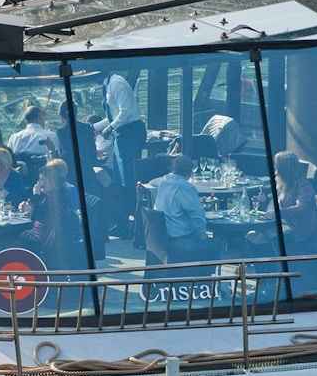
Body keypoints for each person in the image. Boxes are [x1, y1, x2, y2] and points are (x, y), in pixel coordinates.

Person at [101, 73, 146, 235]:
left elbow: (125, 111)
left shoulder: (116, 84)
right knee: (121, 179)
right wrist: (93, 128)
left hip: (130, 133)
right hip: (123, 133)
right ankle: (123, 222)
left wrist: (110, 128)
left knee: (128, 179)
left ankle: (130, 225)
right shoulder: (108, 84)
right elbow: (113, 116)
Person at [154, 154, 221, 261]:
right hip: (180, 241)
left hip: (162, 238)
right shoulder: (186, 187)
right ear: (190, 172)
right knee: (218, 244)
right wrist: (202, 237)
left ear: (173, 168)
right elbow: (198, 218)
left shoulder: (163, 182)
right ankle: (204, 274)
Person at [250, 151, 317, 255]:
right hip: (281, 222)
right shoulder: (281, 182)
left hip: (295, 227)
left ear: (285, 169)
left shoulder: (303, 185)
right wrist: (265, 200)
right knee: (251, 236)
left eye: (277, 168)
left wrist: (277, 213)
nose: (275, 171)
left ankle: (271, 266)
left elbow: (301, 208)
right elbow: (274, 200)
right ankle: (262, 267)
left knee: (262, 237)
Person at [18, 159, 83, 266]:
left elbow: (34, 216)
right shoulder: (56, 195)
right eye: (39, 179)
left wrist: (36, 196)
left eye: (43, 180)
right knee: (23, 234)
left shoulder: (53, 199)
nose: (40, 183)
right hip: (43, 236)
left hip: (43, 242)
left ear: (52, 182)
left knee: (11, 242)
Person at [57, 100, 98, 187]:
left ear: (60, 116)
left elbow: (66, 153)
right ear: (76, 113)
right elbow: (92, 152)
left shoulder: (61, 131)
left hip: (72, 173)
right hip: (88, 170)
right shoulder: (87, 128)